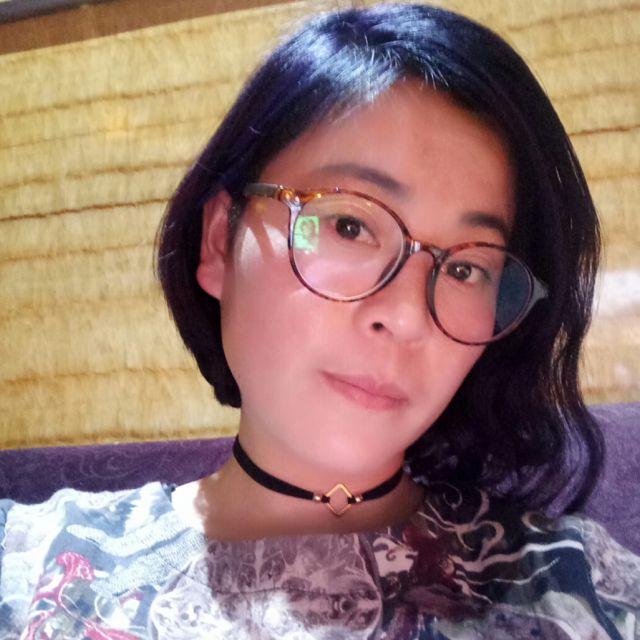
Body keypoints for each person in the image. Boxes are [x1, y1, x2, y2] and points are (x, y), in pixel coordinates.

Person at [1, 3, 639, 638]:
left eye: (467, 268)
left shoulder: (580, 587)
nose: (406, 316)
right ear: (221, 242)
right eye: (350, 225)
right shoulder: (37, 568)